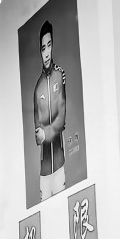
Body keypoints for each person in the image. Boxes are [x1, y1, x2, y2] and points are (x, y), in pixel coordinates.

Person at [33, 20, 68, 201]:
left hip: (59, 163)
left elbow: (61, 118)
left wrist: (46, 133)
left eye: (49, 45)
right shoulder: (38, 88)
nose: (46, 52)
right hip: (44, 171)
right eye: (43, 48)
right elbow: (37, 132)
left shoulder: (59, 75)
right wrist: (42, 134)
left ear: (52, 45)